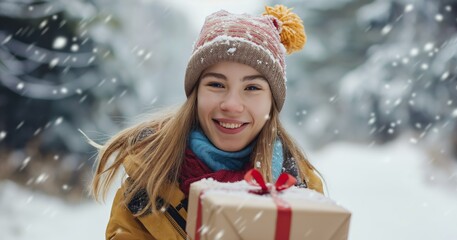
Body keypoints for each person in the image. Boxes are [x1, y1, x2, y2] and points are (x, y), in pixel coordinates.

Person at [91, 4, 324, 240]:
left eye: (252, 88)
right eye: (216, 84)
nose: (232, 104)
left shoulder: (301, 187)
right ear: (196, 94)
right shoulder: (148, 186)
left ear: (271, 103)